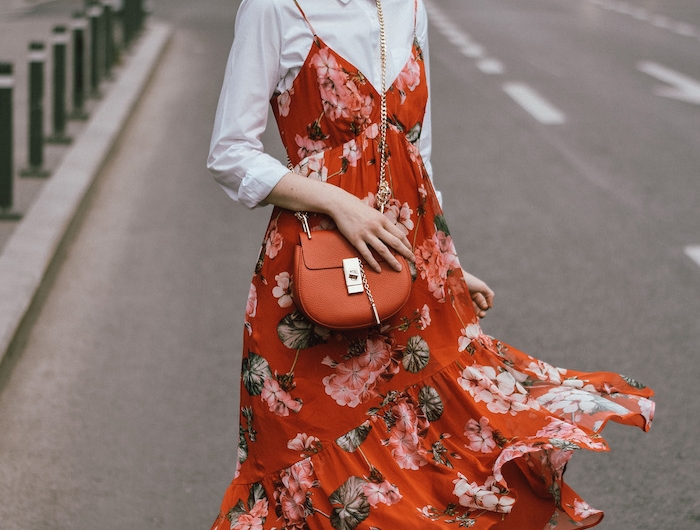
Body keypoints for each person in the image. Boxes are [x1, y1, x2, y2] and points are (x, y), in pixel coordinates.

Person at [207, 0, 654, 528]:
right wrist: (337, 202)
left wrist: (447, 265)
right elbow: (230, 154)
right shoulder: (275, 7)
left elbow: (417, 157)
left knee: (423, 468)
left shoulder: (408, 7)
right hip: (311, 280)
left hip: (404, 266)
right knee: (316, 475)